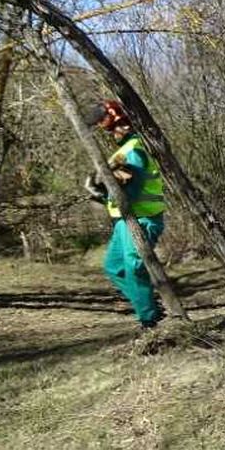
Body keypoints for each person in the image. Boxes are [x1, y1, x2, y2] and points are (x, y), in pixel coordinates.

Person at [86, 100, 168, 328]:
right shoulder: (121, 152)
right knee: (114, 267)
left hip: (142, 217)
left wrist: (105, 193)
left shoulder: (134, 149)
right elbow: (118, 188)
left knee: (134, 266)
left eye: (114, 128)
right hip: (124, 219)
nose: (113, 133)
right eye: (110, 129)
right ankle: (147, 304)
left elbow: (132, 188)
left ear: (126, 123)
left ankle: (148, 319)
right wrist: (99, 192)